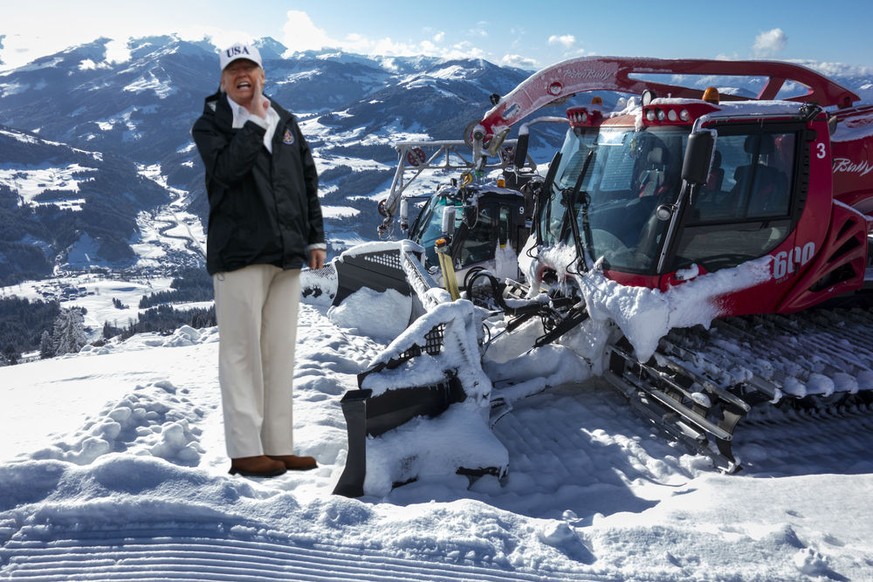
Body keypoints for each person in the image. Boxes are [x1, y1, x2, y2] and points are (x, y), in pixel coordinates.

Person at [192, 42, 326, 478]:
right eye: (233, 70)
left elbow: (307, 180)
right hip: (239, 256)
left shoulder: (286, 122)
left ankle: (278, 446)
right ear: (222, 80)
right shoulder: (210, 126)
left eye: (249, 67)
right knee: (241, 353)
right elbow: (227, 171)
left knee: (278, 353)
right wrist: (251, 124)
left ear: (263, 74)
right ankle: (247, 451)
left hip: (286, 254)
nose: (242, 75)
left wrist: (315, 238)